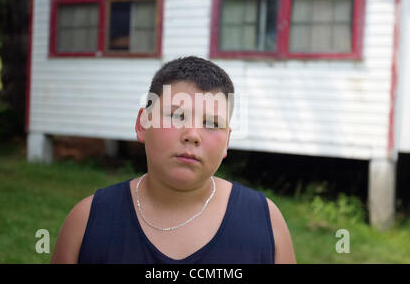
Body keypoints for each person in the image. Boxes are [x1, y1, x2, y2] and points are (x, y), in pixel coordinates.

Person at [51, 56, 296, 264]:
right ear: (142, 124)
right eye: (177, 116)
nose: (192, 135)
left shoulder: (265, 224)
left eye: (211, 124)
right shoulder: (86, 222)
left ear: (227, 142)